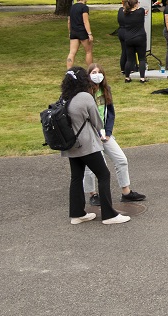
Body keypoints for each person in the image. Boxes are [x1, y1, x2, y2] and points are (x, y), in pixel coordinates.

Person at [59, 67, 131, 225]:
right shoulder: (85, 97)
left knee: (76, 177)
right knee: (103, 174)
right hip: (86, 144)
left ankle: (77, 214)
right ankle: (109, 215)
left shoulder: (64, 97)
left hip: (71, 144)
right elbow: (97, 121)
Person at [82, 64, 147, 206]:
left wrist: (108, 132)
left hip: (105, 134)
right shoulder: (85, 93)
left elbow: (110, 113)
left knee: (121, 159)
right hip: (90, 136)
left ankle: (126, 192)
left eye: (99, 72)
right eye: (94, 72)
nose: (97, 74)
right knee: (93, 166)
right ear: (88, 75)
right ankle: (93, 194)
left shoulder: (106, 90)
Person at [117, 0, 148, 83]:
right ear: (135, 4)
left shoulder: (125, 13)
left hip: (129, 38)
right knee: (142, 58)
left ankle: (127, 77)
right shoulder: (140, 11)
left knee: (130, 59)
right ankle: (142, 78)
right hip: (140, 37)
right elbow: (143, 10)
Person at [66, 0, 94, 69]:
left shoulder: (72, 7)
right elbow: (85, 21)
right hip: (82, 32)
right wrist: (89, 33)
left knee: (72, 52)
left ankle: (69, 70)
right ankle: (90, 70)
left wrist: (70, 32)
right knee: (88, 51)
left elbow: (69, 21)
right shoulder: (84, 7)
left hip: (73, 32)